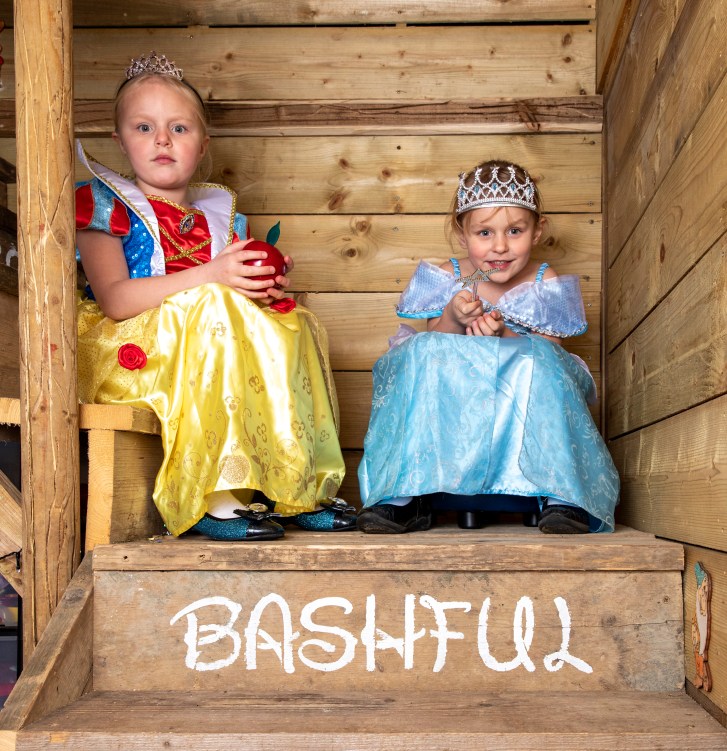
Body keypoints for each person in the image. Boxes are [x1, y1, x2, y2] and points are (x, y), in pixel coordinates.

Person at [75, 52, 355, 541]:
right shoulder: (104, 202)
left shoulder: (224, 219)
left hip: (208, 337)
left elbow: (233, 300)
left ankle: (295, 490)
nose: (162, 139)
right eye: (144, 128)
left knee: (294, 322)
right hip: (131, 350)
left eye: (179, 129)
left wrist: (260, 287)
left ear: (202, 145)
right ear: (119, 140)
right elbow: (116, 301)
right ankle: (215, 497)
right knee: (213, 304)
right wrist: (213, 276)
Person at [357, 159, 619, 534]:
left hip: (516, 392)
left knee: (543, 362)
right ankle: (406, 494)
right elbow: (437, 342)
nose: (500, 246)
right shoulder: (450, 276)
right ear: (463, 234)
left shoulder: (544, 280)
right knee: (421, 351)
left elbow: (549, 351)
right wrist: (454, 315)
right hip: (457, 398)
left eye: (515, 230)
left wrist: (504, 338)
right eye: (484, 233)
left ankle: (560, 493)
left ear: (538, 230)